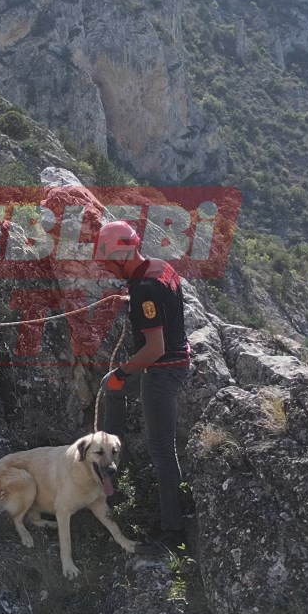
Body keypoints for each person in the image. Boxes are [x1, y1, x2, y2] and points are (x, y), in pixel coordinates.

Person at [96, 218, 193, 553]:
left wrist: (123, 370)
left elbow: (154, 348)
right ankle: (108, 472)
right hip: (172, 361)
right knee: (112, 388)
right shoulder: (158, 267)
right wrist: (129, 303)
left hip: (163, 370)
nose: (108, 267)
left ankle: (173, 531)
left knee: (162, 450)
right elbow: (163, 308)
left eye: (109, 260)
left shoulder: (144, 291)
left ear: (122, 254)